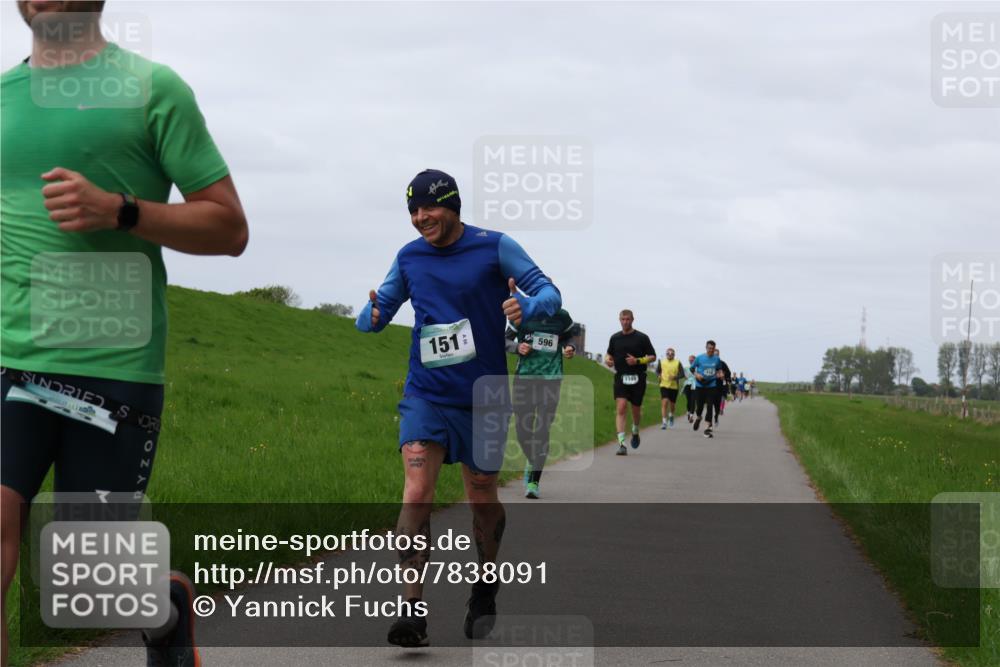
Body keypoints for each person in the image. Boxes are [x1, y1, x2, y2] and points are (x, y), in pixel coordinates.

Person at [1, 4, 249, 666]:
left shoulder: (152, 89)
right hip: (9, 361)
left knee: (93, 581)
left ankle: (162, 607)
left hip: (114, 366)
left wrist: (122, 210)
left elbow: (229, 228)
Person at [357, 169, 560, 647]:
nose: (419, 218)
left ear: (452, 205)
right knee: (416, 490)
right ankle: (410, 609)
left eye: (428, 207)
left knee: (482, 494)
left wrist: (526, 310)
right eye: (412, 210)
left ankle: (486, 581)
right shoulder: (409, 258)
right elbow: (373, 313)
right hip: (425, 395)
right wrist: (373, 315)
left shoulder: (495, 246)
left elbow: (550, 293)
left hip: (485, 398)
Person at [505, 310, 579, 499]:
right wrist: (517, 347)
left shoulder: (562, 316)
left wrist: (570, 347)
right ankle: (533, 460)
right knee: (523, 432)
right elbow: (504, 339)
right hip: (524, 379)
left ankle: (533, 481)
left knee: (542, 430)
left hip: (551, 380)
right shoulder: (522, 314)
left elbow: (570, 336)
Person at [605, 310, 656, 455]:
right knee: (621, 407)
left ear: (633, 320)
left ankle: (635, 429)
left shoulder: (642, 337)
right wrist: (607, 359)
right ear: (619, 320)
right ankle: (621, 444)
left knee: (635, 410)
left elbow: (653, 356)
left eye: (628, 319)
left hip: (638, 377)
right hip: (621, 377)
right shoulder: (615, 338)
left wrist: (638, 361)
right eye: (623, 319)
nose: (625, 322)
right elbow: (610, 353)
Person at [691, 341, 723, 438]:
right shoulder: (699, 358)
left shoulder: (717, 359)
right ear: (706, 348)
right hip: (700, 385)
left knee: (710, 406)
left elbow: (719, 369)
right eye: (709, 348)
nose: (711, 350)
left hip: (711, 385)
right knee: (699, 406)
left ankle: (707, 428)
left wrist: (720, 374)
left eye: (712, 348)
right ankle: (699, 417)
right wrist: (697, 375)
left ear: (714, 348)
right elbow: (692, 369)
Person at [656, 348, 685, 429]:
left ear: (674, 355)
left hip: (674, 386)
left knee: (672, 405)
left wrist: (675, 377)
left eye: (671, 354)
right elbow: (657, 371)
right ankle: (664, 422)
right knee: (664, 402)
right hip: (664, 385)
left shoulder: (677, 362)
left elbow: (682, 374)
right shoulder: (661, 361)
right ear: (666, 354)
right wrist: (658, 375)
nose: (670, 355)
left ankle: (671, 415)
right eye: (668, 354)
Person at [682, 354, 697, 423]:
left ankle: (691, 415)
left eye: (692, 360)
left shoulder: (698, 368)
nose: (691, 361)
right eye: (690, 360)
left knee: (693, 400)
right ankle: (688, 411)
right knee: (689, 400)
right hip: (687, 385)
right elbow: (683, 376)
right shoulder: (686, 368)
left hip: (695, 386)